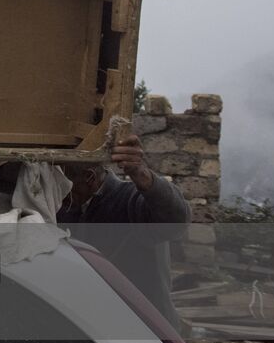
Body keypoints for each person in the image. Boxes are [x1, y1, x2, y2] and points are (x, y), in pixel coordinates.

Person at [58, 129, 191, 327]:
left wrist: (141, 174)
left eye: (62, 182)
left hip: (145, 328)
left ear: (89, 178)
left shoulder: (130, 201)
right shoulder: (66, 208)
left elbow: (176, 221)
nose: (57, 189)